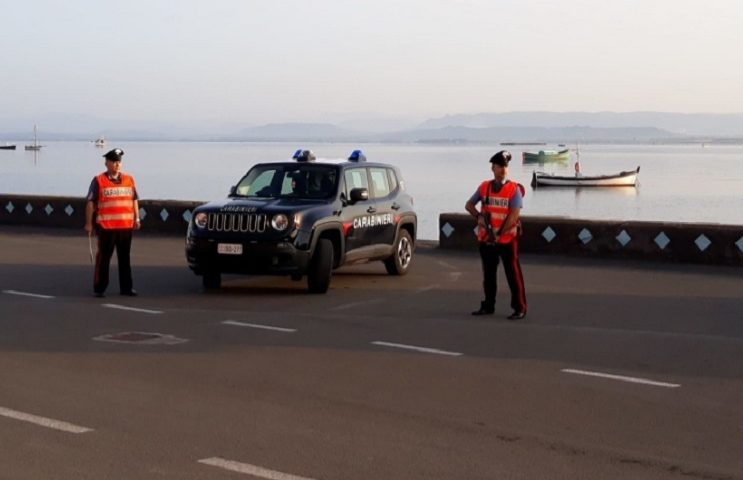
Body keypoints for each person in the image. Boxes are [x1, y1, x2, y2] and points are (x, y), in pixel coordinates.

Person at [465, 150, 527, 320]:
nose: (503, 170)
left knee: (513, 274)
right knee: (489, 275)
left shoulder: (514, 190)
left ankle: (519, 307)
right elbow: (469, 205)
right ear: (493, 168)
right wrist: (478, 217)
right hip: (487, 239)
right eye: (500, 166)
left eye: (505, 166)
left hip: (507, 239)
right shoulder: (484, 187)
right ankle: (488, 305)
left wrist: (499, 233)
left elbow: (514, 214)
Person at [84, 148, 141, 297]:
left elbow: (134, 199)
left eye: (119, 162)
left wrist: (137, 218)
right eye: (114, 162)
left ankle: (127, 288)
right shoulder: (99, 181)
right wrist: (89, 223)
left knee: (125, 258)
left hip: (125, 226)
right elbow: (90, 203)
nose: (117, 164)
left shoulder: (129, 179)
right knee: (104, 258)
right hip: (106, 227)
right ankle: (100, 287)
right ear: (106, 163)